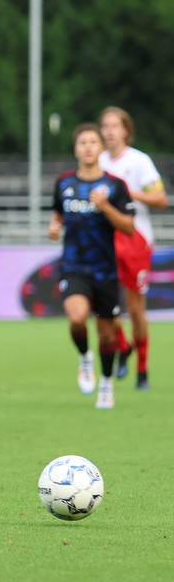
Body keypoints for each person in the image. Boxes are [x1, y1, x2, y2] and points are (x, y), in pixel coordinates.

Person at [49, 123, 134, 409]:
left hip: (105, 271)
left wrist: (105, 207)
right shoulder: (63, 183)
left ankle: (106, 384)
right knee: (76, 318)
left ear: (101, 148)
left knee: (108, 334)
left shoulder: (114, 186)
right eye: (82, 142)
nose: (87, 147)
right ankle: (85, 359)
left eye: (93, 142)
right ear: (76, 149)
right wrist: (54, 225)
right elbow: (58, 214)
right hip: (74, 266)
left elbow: (129, 228)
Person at [97, 107, 167, 390]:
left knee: (136, 309)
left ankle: (142, 369)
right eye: (105, 126)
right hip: (103, 240)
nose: (110, 131)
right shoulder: (97, 161)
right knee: (102, 304)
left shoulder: (140, 162)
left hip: (135, 240)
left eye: (115, 126)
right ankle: (123, 347)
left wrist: (126, 191)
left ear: (126, 130)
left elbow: (160, 198)